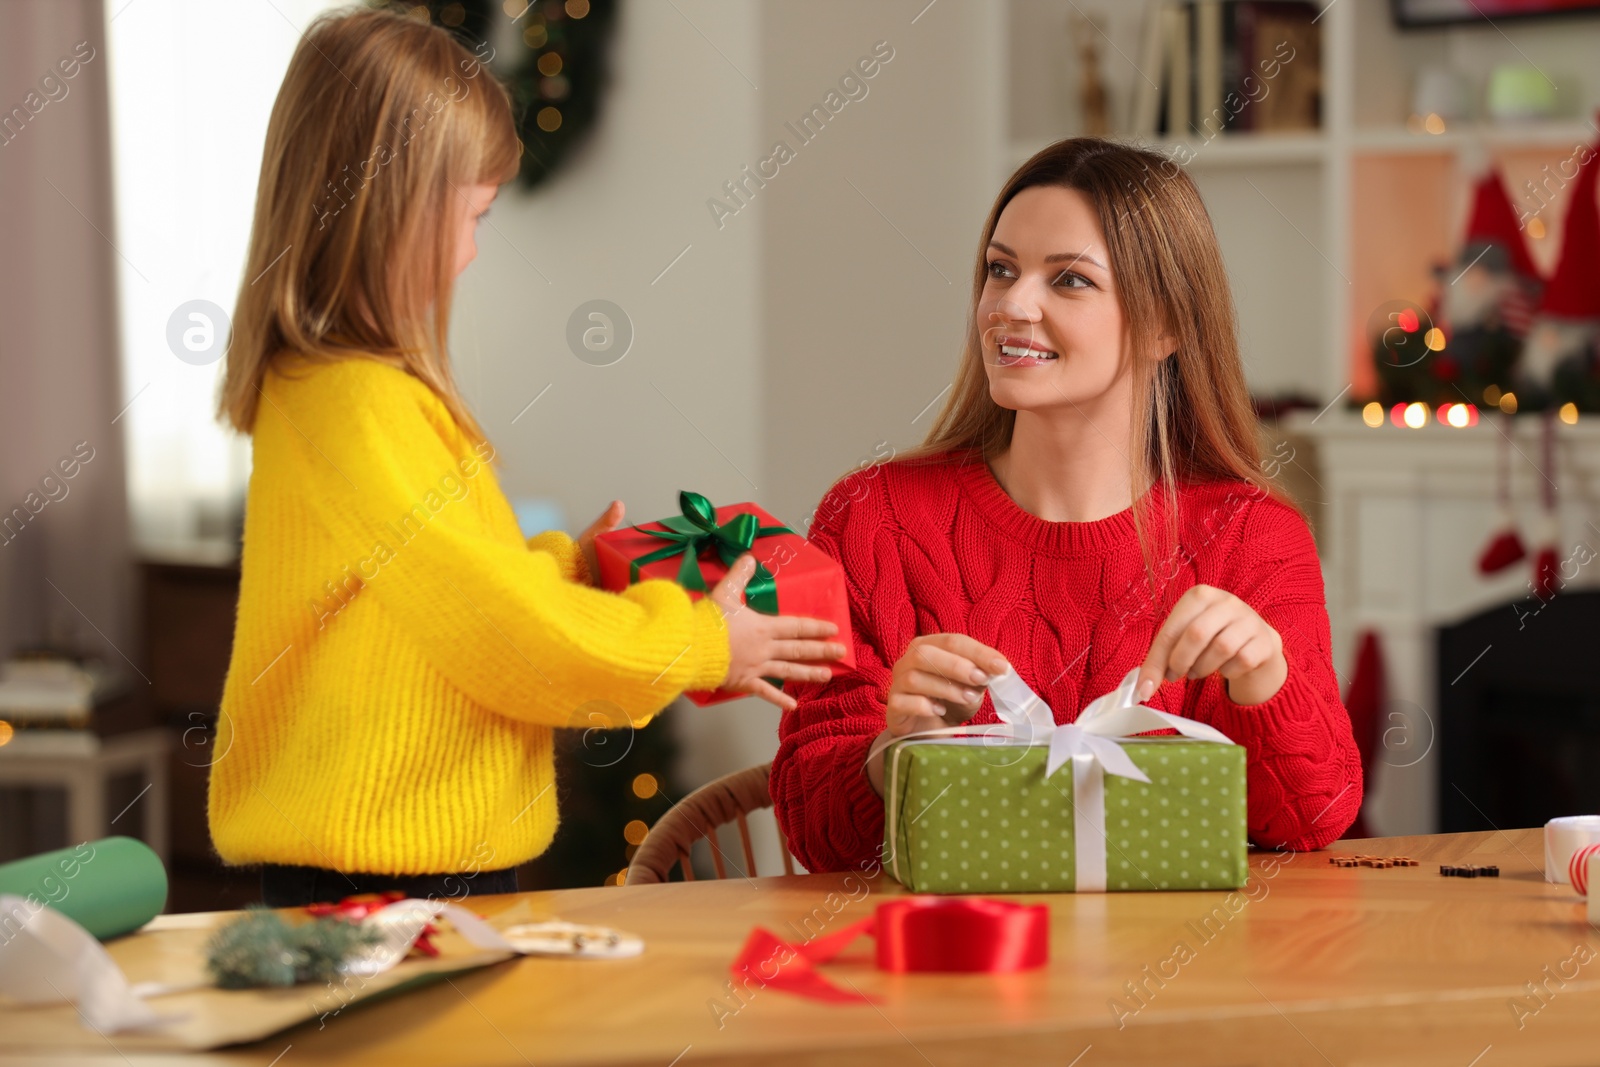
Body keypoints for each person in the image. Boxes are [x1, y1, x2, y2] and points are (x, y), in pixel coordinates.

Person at [209, 9, 844, 907]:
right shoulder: (360, 402)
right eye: (473, 214)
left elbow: (446, 604)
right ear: (394, 208)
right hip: (385, 877)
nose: (472, 251)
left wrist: (571, 566)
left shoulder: (340, 394)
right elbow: (500, 633)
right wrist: (702, 641)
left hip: (400, 864)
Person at [772, 138, 1362, 873]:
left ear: (1165, 326)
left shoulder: (1255, 537)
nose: (1010, 305)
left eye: (1070, 281)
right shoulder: (867, 519)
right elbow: (814, 832)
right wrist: (895, 749)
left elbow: (1312, 821)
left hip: (1186, 974)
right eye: (1001, 269)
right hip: (946, 971)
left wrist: (1263, 677)